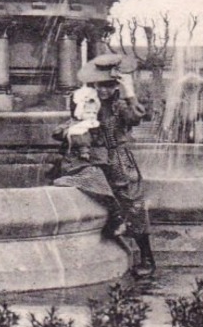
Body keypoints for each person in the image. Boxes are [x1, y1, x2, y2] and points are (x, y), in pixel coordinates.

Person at [53, 53, 156, 278]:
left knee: (134, 203)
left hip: (119, 159)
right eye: (100, 86)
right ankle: (116, 218)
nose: (104, 91)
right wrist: (68, 131)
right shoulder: (86, 102)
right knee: (83, 178)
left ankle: (147, 257)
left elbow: (136, 117)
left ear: (115, 87)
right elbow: (74, 123)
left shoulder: (119, 106)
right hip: (94, 159)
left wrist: (130, 93)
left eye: (109, 86)